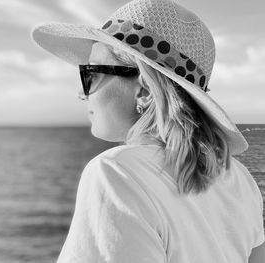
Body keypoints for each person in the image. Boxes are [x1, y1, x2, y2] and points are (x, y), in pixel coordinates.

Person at [31, 0, 265, 262]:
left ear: (144, 91)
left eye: (91, 73)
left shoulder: (116, 173)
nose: (81, 93)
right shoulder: (239, 178)